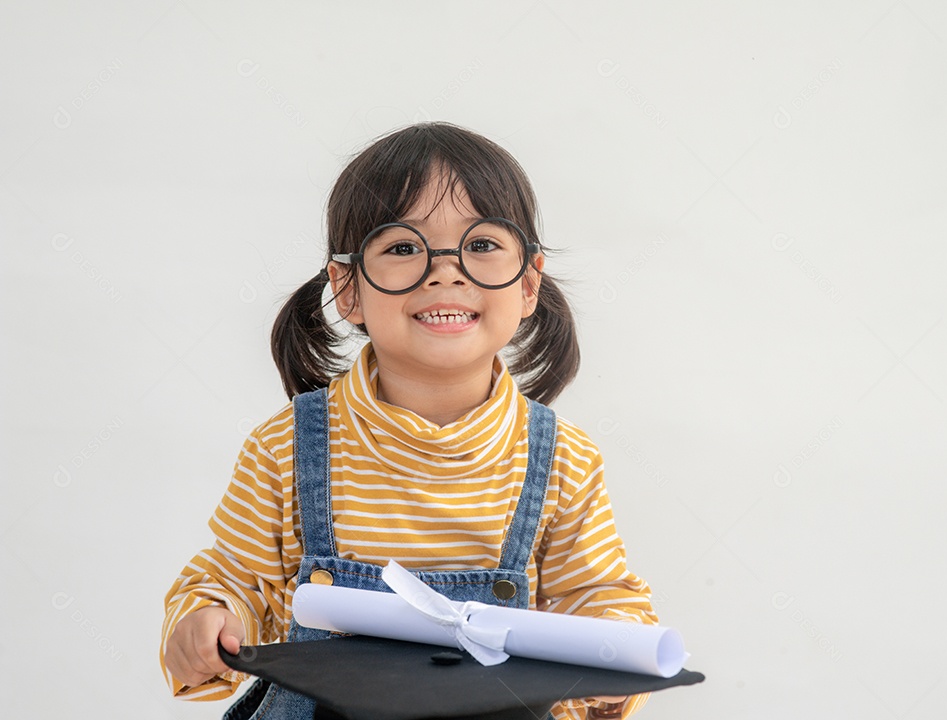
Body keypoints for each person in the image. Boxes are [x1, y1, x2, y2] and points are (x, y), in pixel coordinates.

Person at [160, 122, 658, 720]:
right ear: (347, 289)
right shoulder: (285, 448)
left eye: (480, 245)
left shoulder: (564, 460)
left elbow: (600, 598)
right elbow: (235, 579)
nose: (445, 272)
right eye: (402, 247)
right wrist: (206, 620)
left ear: (528, 283)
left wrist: (614, 660)